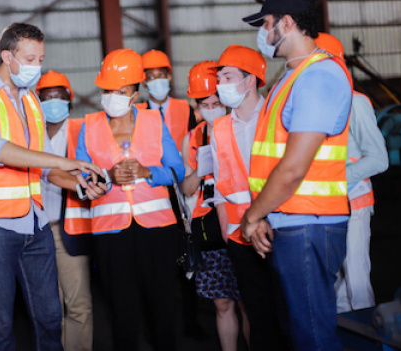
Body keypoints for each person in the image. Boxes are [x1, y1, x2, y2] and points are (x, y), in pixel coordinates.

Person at [0, 22, 105, 351]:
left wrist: (79, 182)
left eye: (41, 58)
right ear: (7, 57)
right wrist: (64, 162)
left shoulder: (31, 101)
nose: (37, 66)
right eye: (30, 58)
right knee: (0, 326)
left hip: (34, 225)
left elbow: (43, 166)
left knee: (50, 318)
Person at [240, 0, 353, 351]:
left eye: (267, 23)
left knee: (312, 338)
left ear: (287, 23)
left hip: (309, 226)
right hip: (291, 222)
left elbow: (292, 169)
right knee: (297, 332)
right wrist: (264, 216)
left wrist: (252, 217)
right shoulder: (292, 76)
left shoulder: (319, 78)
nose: (263, 32)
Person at [76, 48, 185, 351]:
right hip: (111, 234)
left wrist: (149, 172)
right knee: (122, 309)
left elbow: (177, 170)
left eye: (120, 90)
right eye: (108, 90)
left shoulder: (154, 122)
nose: (113, 96)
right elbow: (82, 180)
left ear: (135, 93)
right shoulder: (89, 126)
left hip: (157, 230)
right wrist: (108, 175)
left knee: (162, 306)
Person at [211, 45, 288, 351]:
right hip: (239, 237)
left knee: (288, 313)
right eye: (220, 78)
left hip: (278, 231)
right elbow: (219, 188)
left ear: (250, 79)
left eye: (227, 76)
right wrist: (229, 236)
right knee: (257, 315)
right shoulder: (219, 128)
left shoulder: (277, 117)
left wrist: (266, 220)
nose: (221, 85)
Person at [315, 33, 389, 313]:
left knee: (356, 282)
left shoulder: (356, 102)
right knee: (335, 287)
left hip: (353, 202)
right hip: (325, 205)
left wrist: (333, 178)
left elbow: (379, 160)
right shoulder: (316, 105)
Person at [181, 60, 248, 351]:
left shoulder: (242, 128)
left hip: (243, 223)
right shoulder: (192, 139)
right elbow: (185, 188)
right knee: (223, 304)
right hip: (209, 229)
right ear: (197, 107)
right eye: (204, 103)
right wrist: (201, 170)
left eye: (215, 102)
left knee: (249, 302)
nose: (211, 107)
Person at [35, 70, 93, 351]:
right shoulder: (30, 135)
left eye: (58, 98)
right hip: (35, 232)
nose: (53, 103)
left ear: (69, 100)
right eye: (46, 98)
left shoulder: (83, 130)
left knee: (78, 304)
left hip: (69, 229)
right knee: (47, 308)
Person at [136, 49, 196, 150]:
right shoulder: (137, 113)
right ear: (144, 82)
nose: (157, 80)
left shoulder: (186, 109)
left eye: (161, 75)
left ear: (169, 77)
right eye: (151, 77)